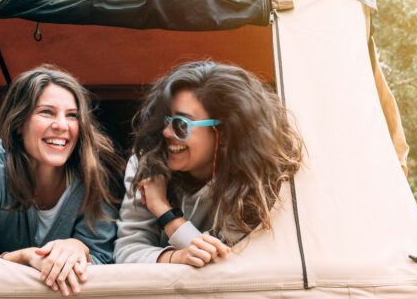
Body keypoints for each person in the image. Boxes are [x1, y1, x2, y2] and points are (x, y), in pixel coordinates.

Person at [0, 65, 121, 295]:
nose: (62, 125)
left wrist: (80, 248)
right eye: (47, 112)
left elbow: (105, 260)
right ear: (19, 123)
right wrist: (23, 258)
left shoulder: (92, 172)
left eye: (72, 115)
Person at [114, 61, 304, 265]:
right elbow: (127, 252)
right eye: (165, 120)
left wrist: (164, 211)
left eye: (181, 124)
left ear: (224, 132)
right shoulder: (148, 164)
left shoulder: (257, 179)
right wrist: (176, 257)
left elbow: (222, 264)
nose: (166, 132)